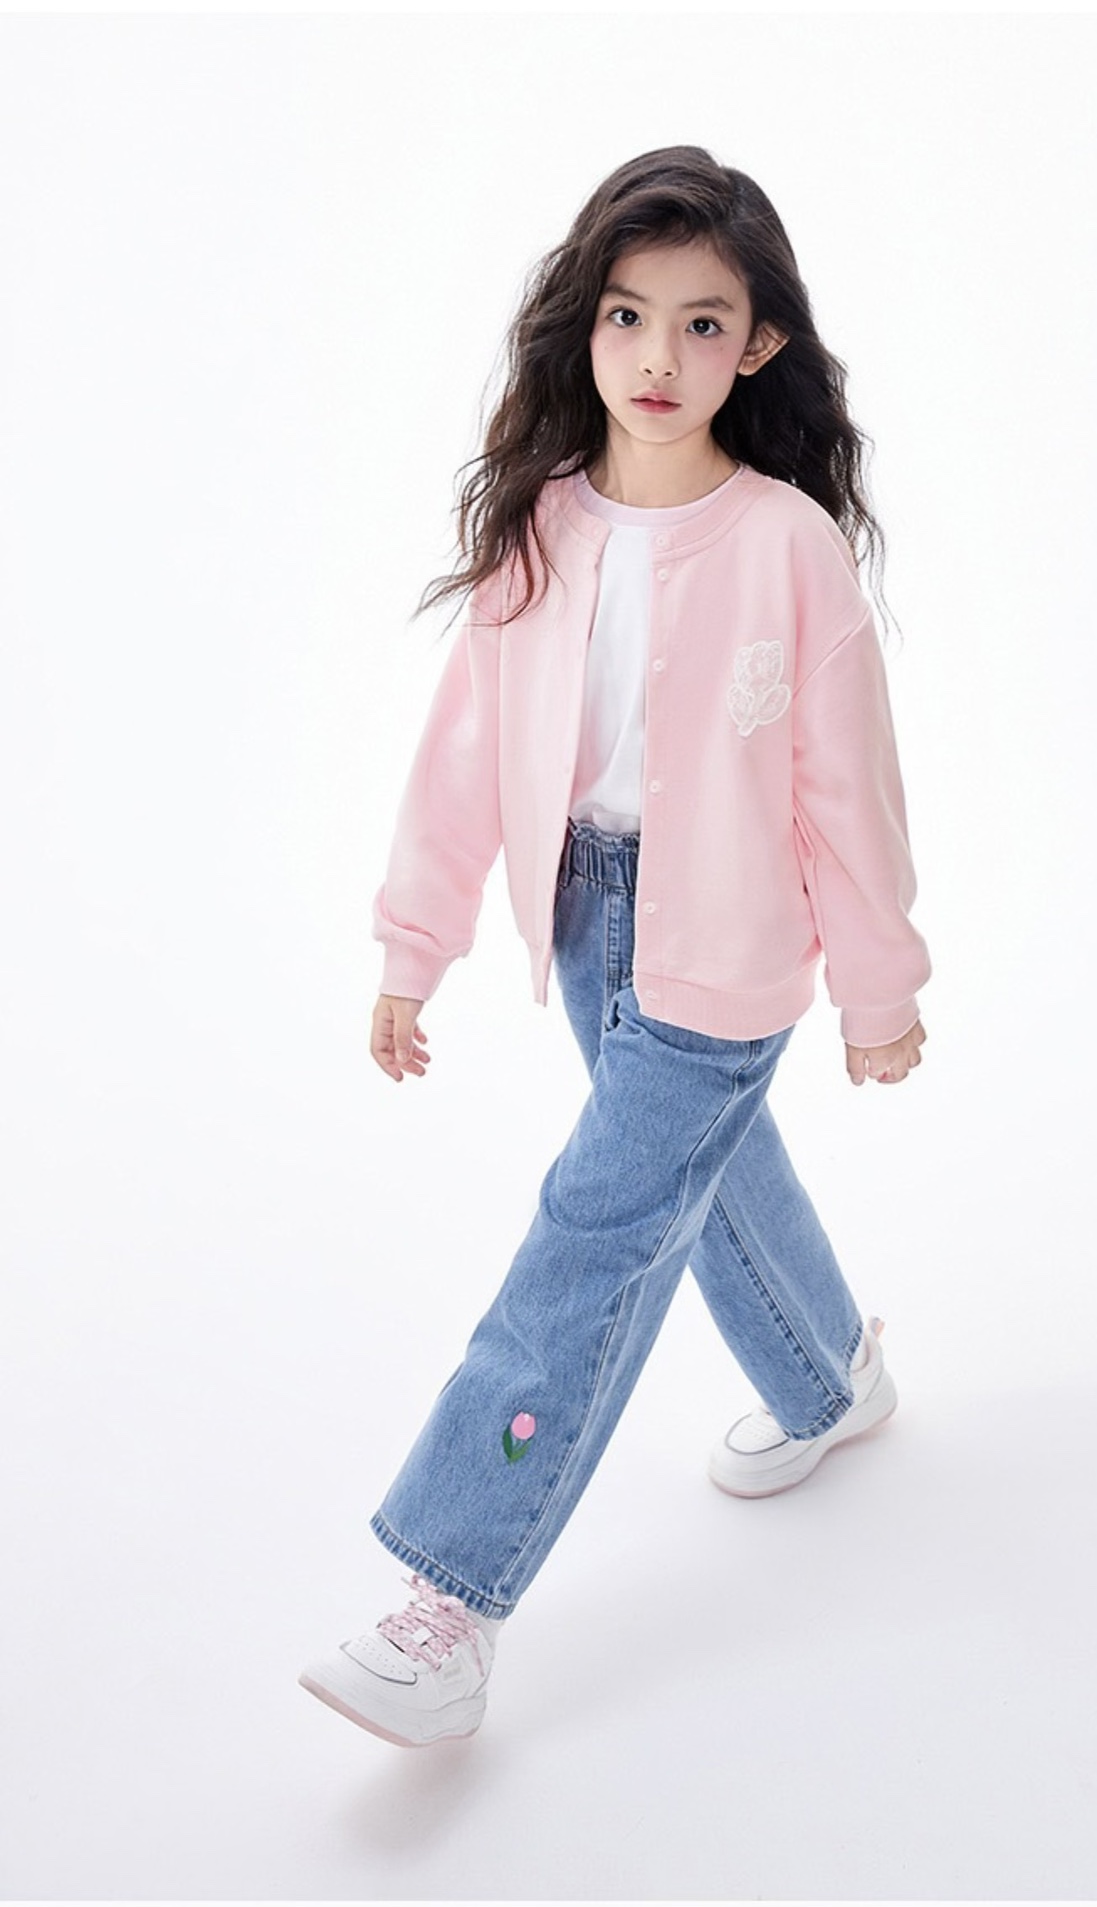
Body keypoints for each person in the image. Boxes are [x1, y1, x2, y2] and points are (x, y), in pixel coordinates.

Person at [299, 144, 930, 1749]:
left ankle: (448, 1603)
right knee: (698, 1180)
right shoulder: (544, 526)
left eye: (703, 324)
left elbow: (848, 786)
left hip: (735, 936)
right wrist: (414, 944)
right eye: (628, 316)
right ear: (583, 326)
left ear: (758, 344)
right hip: (586, 920)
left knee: (591, 1238)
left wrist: (877, 985)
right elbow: (466, 752)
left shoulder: (787, 544)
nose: (659, 357)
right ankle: (830, 1378)